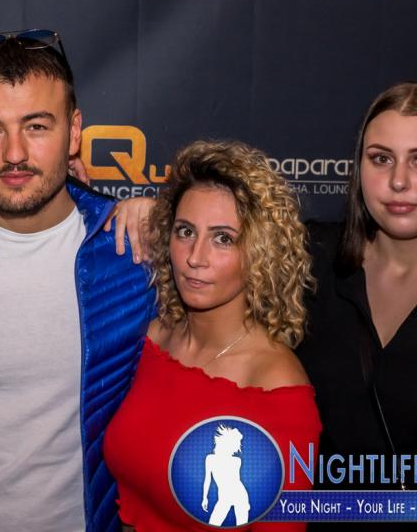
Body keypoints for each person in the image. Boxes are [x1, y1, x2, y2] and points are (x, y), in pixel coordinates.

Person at [0, 30, 155, 532]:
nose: (15, 153)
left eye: (37, 126)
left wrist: (166, 214)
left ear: (75, 131)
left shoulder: (130, 252)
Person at [104, 140, 321, 531]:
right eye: (185, 231)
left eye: (223, 238)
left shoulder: (277, 387)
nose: (195, 257)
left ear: (259, 251)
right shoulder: (152, 338)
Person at [296, 82, 417, 528]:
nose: (399, 180)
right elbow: (211, 241)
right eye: (381, 159)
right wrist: (147, 215)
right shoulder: (308, 258)